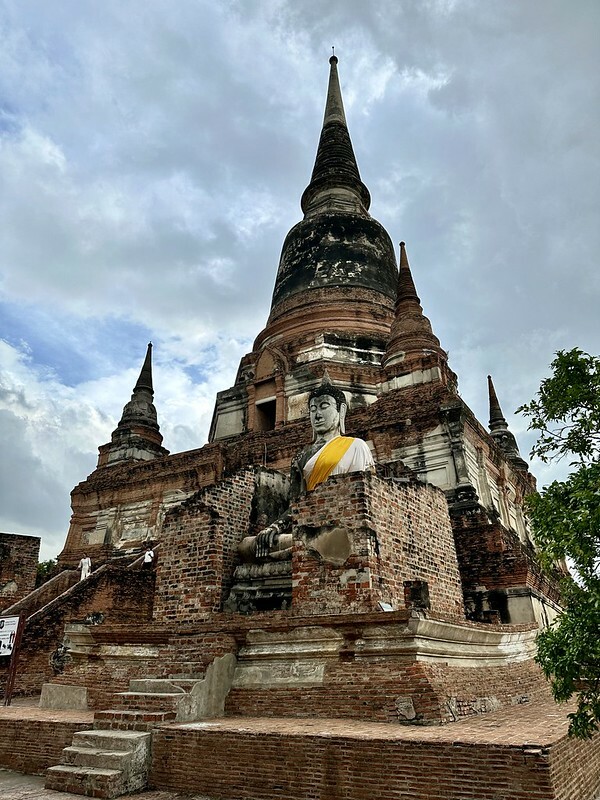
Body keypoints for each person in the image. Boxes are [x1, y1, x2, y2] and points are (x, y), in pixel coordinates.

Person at [239, 379, 374, 562]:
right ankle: (302, 549)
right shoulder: (301, 457)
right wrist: (274, 528)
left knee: (330, 538)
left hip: (344, 523)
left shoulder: (356, 446)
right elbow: (296, 504)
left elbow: (365, 495)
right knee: (247, 546)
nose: (317, 415)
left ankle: (302, 550)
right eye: (312, 410)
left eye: (324, 406)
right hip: (308, 526)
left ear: (341, 410)